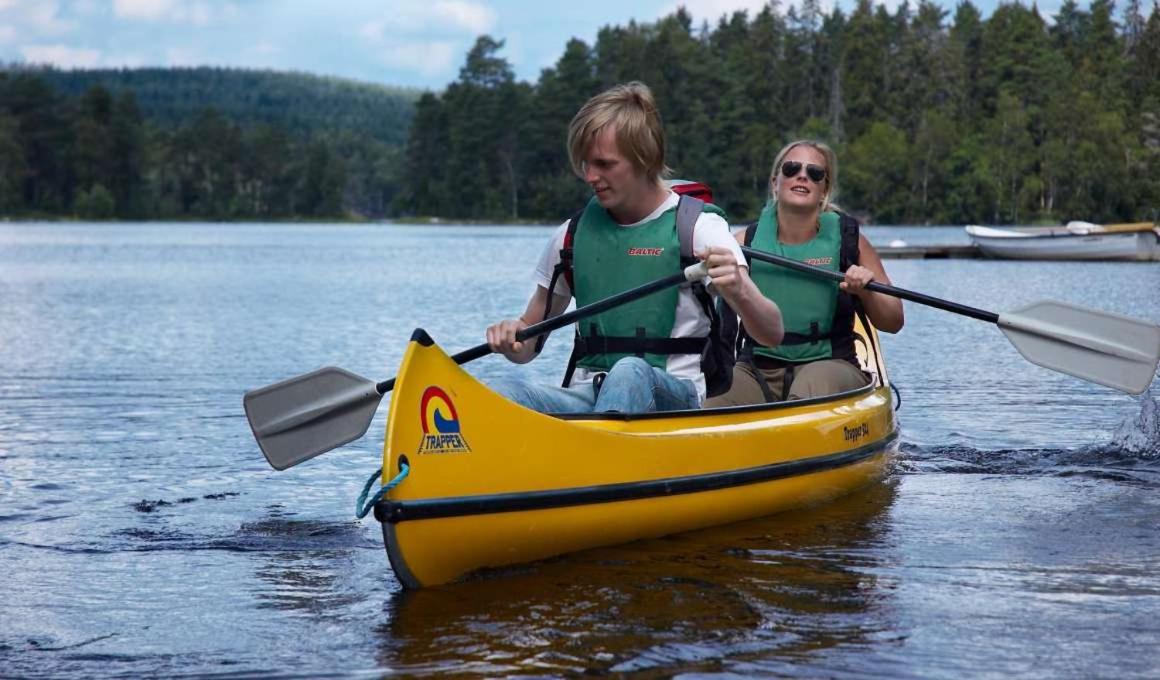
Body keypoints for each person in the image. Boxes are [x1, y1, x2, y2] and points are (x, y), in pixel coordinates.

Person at [486, 82, 783, 414]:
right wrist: (510, 338)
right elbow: (528, 345)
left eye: (604, 164)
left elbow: (771, 333)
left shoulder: (699, 229)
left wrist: (741, 290)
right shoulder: (571, 236)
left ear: (645, 159)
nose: (590, 176)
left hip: (673, 398)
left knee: (628, 373)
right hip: (589, 396)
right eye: (585, 164)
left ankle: (600, 460)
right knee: (498, 392)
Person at [704, 140, 904, 407]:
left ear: (824, 191)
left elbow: (893, 321)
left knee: (810, 385)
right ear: (776, 182)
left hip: (831, 364)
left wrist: (866, 291)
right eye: (792, 168)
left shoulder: (850, 242)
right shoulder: (742, 244)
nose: (802, 175)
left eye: (815, 173)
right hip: (756, 370)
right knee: (714, 403)